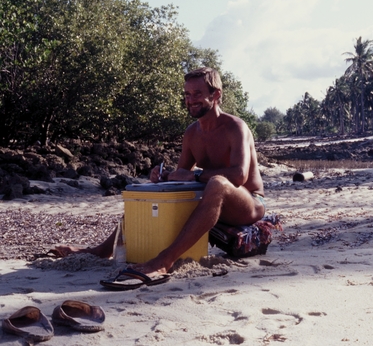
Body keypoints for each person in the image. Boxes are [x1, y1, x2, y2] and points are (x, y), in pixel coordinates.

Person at [53, 67, 265, 280]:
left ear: (215, 94)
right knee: (152, 191)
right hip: (212, 198)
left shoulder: (235, 127)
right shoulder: (192, 133)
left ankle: (165, 260)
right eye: (187, 95)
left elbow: (239, 176)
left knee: (218, 183)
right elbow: (181, 174)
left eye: (197, 94)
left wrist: (192, 176)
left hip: (248, 203)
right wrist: (163, 177)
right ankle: (102, 250)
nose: (191, 100)